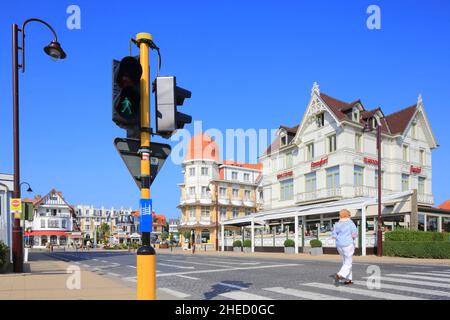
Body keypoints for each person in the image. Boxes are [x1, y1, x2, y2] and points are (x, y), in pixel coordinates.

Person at [331, 209, 358, 285]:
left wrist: (339, 237)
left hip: (339, 244)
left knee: (344, 261)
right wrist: (352, 239)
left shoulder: (337, 223)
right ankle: (339, 275)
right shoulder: (350, 223)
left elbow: (334, 235)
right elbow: (354, 233)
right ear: (348, 215)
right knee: (348, 261)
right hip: (348, 244)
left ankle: (348, 279)